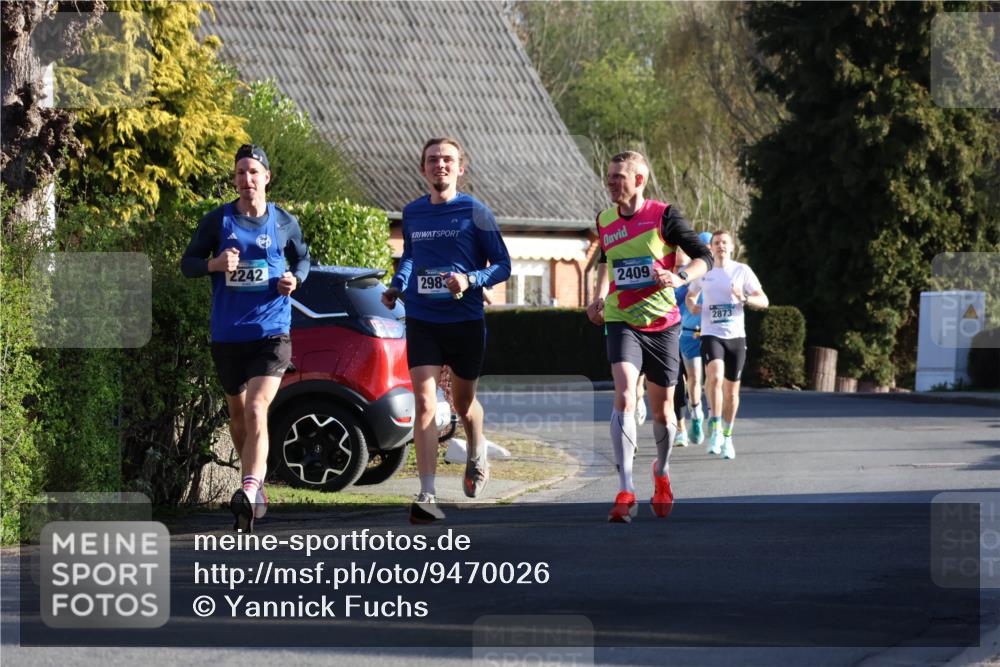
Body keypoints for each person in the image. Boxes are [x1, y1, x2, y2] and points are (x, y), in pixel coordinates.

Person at [181, 144, 310, 533]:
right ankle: (253, 487)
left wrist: (295, 279)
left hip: (271, 332)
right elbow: (187, 264)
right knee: (238, 417)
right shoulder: (217, 221)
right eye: (240, 173)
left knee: (256, 409)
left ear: (266, 177)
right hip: (227, 335)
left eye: (253, 172)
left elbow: (303, 259)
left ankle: (251, 489)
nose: (246, 179)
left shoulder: (284, 222)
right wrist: (214, 265)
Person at [381, 137, 511, 524]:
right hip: (423, 319)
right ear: (423, 169)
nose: (440, 165)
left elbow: (502, 265)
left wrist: (470, 280)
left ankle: (476, 449)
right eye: (433, 160)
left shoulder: (476, 211)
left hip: (465, 321)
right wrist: (397, 285)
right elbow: (410, 258)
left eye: (447, 160)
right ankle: (427, 493)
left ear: (460, 168)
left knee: (463, 404)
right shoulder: (413, 213)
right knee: (424, 402)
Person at [586, 151, 712, 523]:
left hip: (662, 322)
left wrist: (681, 276)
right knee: (624, 392)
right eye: (608, 177)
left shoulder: (664, 215)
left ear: (639, 180)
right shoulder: (604, 220)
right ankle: (625, 489)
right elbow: (606, 263)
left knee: (662, 410)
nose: (611, 183)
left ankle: (661, 472)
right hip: (621, 318)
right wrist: (596, 299)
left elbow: (703, 256)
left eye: (618, 177)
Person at [686, 230, 768, 460]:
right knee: (714, 377)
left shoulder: (742, 271)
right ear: (710, 248)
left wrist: (744, 298)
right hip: (711, 335)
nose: (720, 246)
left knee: (731, 393)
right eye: (716, 243)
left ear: (732, 247)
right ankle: (714, 427)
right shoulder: (705, 272)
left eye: (724, 242)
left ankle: (728, 435)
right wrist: (692, 305)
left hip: (736, 338)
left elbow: (764, 300)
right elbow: (690, 296)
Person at [675, 232, 714, 445]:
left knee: (713, 377)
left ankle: (711, 415)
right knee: (694, 377)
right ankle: (697, 414)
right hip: (688, 331)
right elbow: (679, 300)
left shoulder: (721, 274)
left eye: (710, 246)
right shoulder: (687, 275)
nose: (708, 250)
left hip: (713, 333)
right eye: (704, 246)